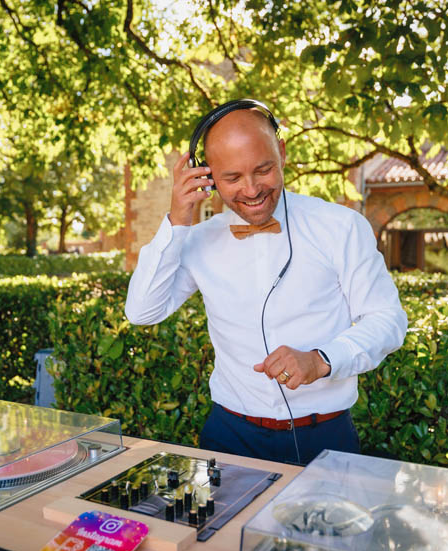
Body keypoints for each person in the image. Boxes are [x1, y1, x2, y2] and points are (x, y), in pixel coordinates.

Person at [124, 100, 407, 464]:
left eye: (263, 170)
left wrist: (322, 360)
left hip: (325, 437)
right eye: (232, 178)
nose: (252, 189)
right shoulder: (196, 239)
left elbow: (387, 319)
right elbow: (142, 311)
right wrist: (178, 220)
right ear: (206, 175)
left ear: (282, 153)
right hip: (228, 436)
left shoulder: (341, 226)